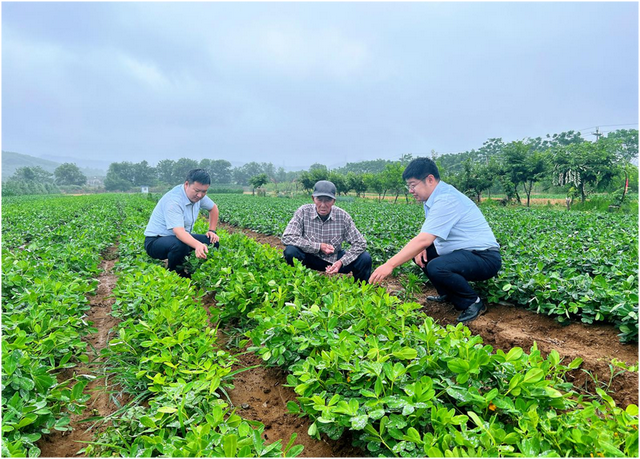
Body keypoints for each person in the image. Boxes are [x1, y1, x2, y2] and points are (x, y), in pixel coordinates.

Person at [369, 157, 501, 323]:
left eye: (413, 185)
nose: (410, 190)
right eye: (408, 186)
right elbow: (429, 236)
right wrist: (424, 246)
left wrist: (389, 264)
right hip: (466, 253)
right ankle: (449, 294)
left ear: (430, 179)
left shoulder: (446, 199)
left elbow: (423, 239)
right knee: (423, 254)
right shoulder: (432, 200)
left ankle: (473, 303)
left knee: (436, 265)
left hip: (484, 257)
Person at [282, 180, 372, 283]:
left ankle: (360, 290)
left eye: (328, 200)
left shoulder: (342, 216)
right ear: (313, 199)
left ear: (334, 201)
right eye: (319, 199)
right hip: (310, 256)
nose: (323, 205)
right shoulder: (303, 212)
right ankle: (297, 283)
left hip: (335, 259)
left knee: (364, 258)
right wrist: (318, 246)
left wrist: (341, 262)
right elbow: (287, 237)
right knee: (291, 251)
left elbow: (360, 243)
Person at [144, 168, 220, 278]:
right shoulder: (174, 200)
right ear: (186, 184)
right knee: (181, 245)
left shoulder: (198, 196)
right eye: (197, 191)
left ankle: (200, 270)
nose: (200, 195)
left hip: (177, 238)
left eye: (204, 191)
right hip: (156, 241)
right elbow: (179, 232)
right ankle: (175, 273)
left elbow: (213, 209)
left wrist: (212, 231)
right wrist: (198, 245)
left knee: (213, 242)